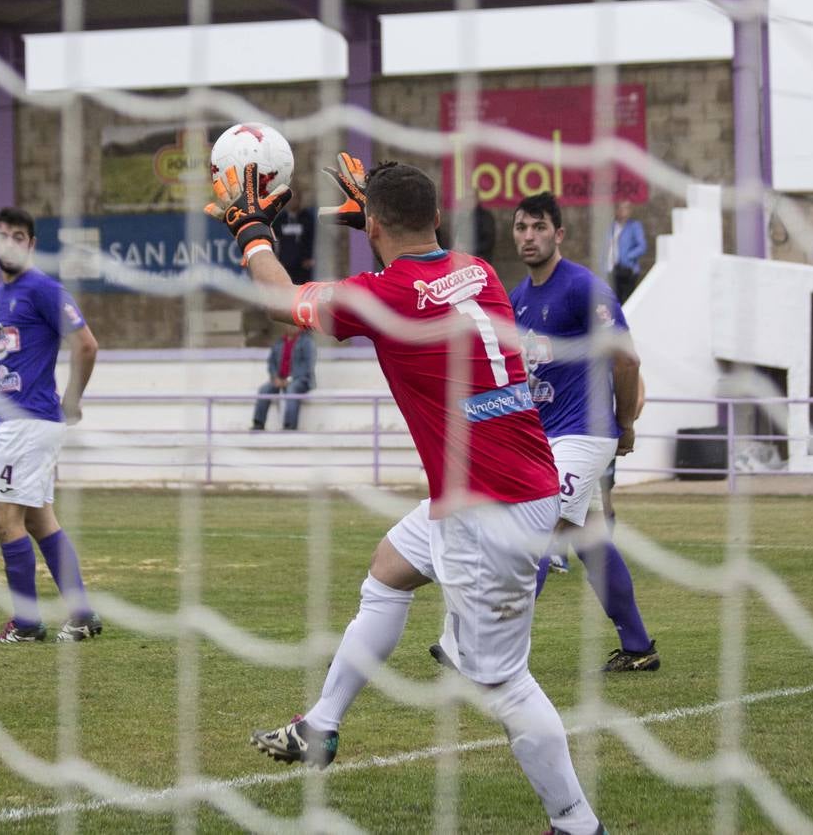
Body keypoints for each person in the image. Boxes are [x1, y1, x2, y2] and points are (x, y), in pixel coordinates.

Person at [207, 156, 607, 835]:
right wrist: (378, 215)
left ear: (372, 223)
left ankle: (575, 824)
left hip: (492, 505)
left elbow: (285, 304)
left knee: (504, 682)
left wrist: (251, 230)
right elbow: (419, 261)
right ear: (437, 220)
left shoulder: (386, 295)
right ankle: (321, 727)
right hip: (496, 485)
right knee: (389, 567)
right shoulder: (479, 272)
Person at [511, 192, 659, 673]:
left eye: (538, 227)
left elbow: (626, 358)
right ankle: (638, 647)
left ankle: (485, 648)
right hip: (545, 441)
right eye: (521, 227)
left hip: (585, 436)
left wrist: (626, 426)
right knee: (592, 542)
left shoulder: (582, 288)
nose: (529, 236)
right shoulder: (517, 299)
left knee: (538, 531)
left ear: (559, 233)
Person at [0, 206, 103, 643]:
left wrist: (71, 400)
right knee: (37, 520)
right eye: (3, 236)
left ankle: (28, 622)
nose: (10, 243)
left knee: (2, 518)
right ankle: (81, 614)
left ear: (32, 244)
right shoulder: (1, 295)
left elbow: (86, 345)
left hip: (30, 420)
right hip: (14, 422)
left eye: (19, 236)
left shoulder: (42, 288)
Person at [251, 326, 315, 431]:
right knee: (264, 389)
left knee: (292, 389)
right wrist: (275, 377)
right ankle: (258, 424)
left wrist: (290, 379)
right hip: (280, 379)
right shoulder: (279, 343)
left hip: (301, 380)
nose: (292, 327)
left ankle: (289, 426)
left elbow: (308, 366)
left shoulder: (307, 342)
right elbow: (271, 363)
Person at [606, 199, 646, 303]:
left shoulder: (634, 226)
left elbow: (642, 246)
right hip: (613, 269)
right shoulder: (612, 227)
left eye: (626, 208)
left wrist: (628, 257)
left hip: (628, 269)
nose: (624, 211)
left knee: (628, 299)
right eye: (621, 208)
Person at [273, 189, 315, 285]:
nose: (292, 202)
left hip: (302, 263)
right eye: (289, 199)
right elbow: (274, 238)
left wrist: (309, 257)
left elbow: (311, 239)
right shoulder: (280, 219)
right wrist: (276, 259)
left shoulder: (307, 218)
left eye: (295, 199)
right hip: (285, 261)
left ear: (300, 200)